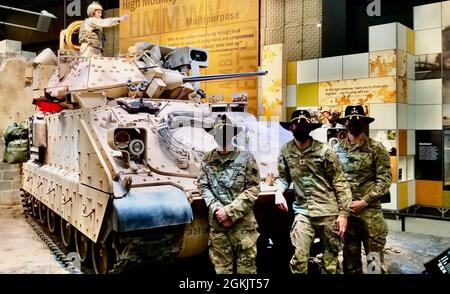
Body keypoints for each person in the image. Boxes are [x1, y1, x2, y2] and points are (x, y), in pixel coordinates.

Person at [275, 110, 352, 274]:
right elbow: (283, 177)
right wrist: (278, 192)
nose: (300, 128)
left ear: (310, 128)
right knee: (299, 258)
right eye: (297, 125)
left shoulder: (324, 151)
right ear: (290, 128)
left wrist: (343, 214)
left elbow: (340, 182)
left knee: (330, 263)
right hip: (303, 212)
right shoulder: (285, 151)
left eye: (304, 125)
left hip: (328, 212)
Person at [198, 114, 260, 274]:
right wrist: (218, 209)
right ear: (214, 135)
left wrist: (229, 212)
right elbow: (204, 186)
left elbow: (253, 189)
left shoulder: (246, 158)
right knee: (222, 272)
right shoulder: (207, 159)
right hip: (218, 228)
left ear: (232, 134)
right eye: (219, 132)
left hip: (243, 227)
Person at [333, 105, 391, 274]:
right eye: (350, 120)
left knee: (374, 264)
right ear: (345, 123)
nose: (354, 123)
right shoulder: (336, 150)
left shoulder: (377, 149)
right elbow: (333, 180)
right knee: (350, 265)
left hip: (370, 216)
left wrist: (365, 201)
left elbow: (384, 180)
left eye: (358, 120)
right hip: (347, 215)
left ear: (365, 124)